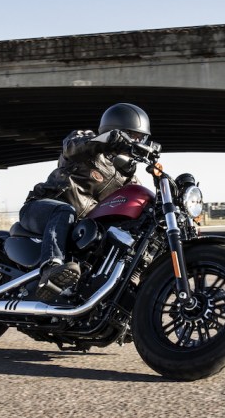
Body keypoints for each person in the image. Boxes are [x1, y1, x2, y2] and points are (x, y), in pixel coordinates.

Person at [19, 103, 152, 301]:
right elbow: (72, 145)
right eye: (131, 136)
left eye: (140, 138)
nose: (135, 142)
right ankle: (51, 267)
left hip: (78, 227)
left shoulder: (126, 177)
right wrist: (109, 140)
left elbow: (139, 198)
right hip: (43, 207)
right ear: (115, 130)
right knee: (65, 211)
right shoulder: (87, 145)